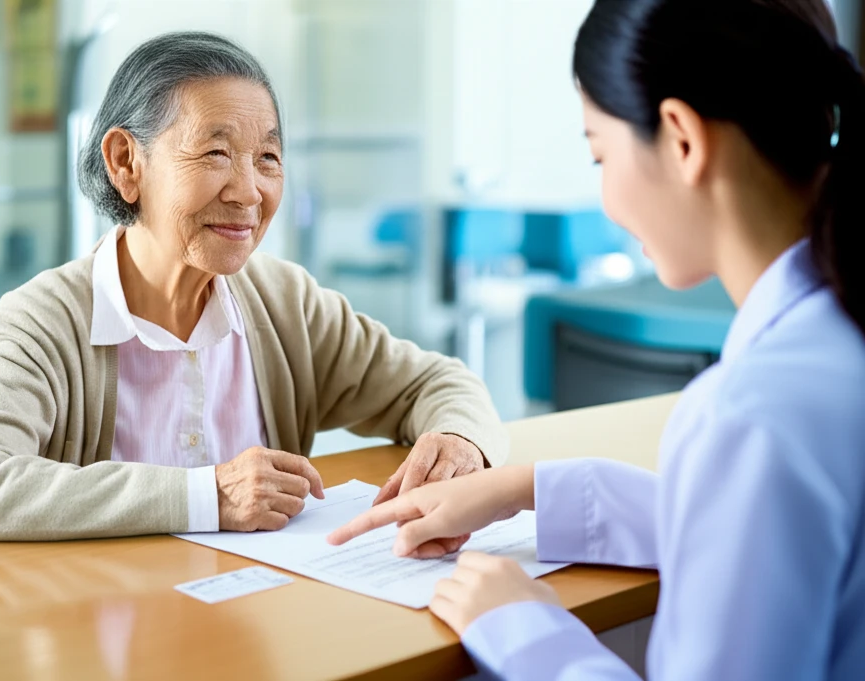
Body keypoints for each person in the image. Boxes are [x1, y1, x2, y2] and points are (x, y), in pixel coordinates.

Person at [329, 1, 865, 678]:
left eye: (600, 154)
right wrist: (524, 488)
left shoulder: (749, 415)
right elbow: (756, 532)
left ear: (682, 140)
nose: (607, 196)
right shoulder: (832, 345)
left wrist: (524, 630)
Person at [0, 32, 506, 541]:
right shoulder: (47, 320)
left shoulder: (284, 301)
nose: (249, 192)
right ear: (126, 163)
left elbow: (438, 383)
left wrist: (459, 440)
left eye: (267, 158)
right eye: (216, 152)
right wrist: (207, 495)